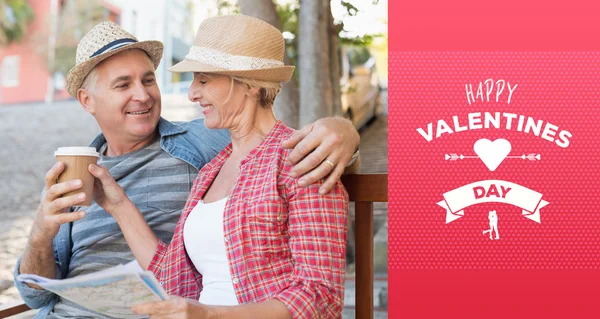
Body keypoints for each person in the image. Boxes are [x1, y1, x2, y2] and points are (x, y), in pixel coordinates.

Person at [14, 21, 359, 319]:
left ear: (251, 82)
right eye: (123, 84)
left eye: (204, 80)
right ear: (87, 101)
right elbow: (171, 276)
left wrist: (344, 131)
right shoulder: (213, 169)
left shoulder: (259, 152)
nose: (191, 93)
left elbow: (321, 295)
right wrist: (102, 207)